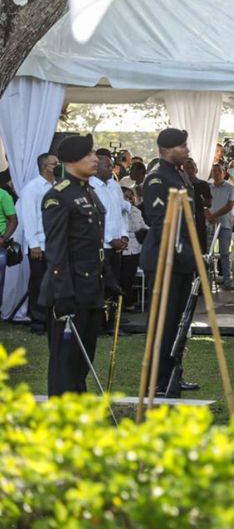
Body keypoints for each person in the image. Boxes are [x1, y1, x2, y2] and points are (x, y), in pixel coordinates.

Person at [40, 134, 118, 396]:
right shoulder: (58, 196)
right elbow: (56, 250)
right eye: (88, 154)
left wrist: (107, 276)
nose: (95, 159)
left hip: (90, 288)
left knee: (82, 360)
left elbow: (92, 242)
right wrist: (63, 294)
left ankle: (78, 409)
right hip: (70, 290)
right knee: (65, 363)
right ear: (72, 161)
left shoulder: (88, 192)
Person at [140, 128, 198, 398]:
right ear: (167, 149)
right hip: (165, 259)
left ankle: (173, 374)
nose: (187, 150)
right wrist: (186, 253)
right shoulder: (157, 177)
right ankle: (157, 379)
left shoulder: (179, 174)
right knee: (163, 323)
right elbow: (161, 222)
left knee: (178, 323)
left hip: (182, 260)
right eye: (182, 146)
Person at [19, 152, 57, 333]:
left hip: (56, 244)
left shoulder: (58, 186)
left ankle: (52, 319)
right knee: (39, 283)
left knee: (54, 283)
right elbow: (29, 218)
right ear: (44, 167)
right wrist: (33, 244)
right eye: (54, 164)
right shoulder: (32, 188)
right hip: (39, 245)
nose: (58, 166)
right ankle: (38, 321)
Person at [90, 149, 129, 306]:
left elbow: (120, 213)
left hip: (117, 245)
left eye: (112, 166)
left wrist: (124, 235)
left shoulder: (113, 185)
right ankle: (101, 317)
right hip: (102, 246)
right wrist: (110, 239)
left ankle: (113, 316)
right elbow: (94, 219)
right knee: (102, 284)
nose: (111, 169)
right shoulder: (91, 187)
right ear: (97, 168)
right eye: (107, 166)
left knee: (115, 284)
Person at [207, 163, 234, 290]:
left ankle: (227, 281)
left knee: (224, 253)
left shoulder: (230, 187)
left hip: (225, 224)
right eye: (214, 171)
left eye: (219, 171)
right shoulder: (208, 187)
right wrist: (209, 216)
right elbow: (203, 204)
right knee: (208, 253)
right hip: (210, 224)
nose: (217, 173)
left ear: (224, 173)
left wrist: (215, 215)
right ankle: (207, 281)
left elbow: (230, 206)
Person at [120, 185, 148, 311]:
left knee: (131, 276)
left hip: (136, 247)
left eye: (131, 196)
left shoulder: (136, 211)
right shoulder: (120, 211)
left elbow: (142, 226)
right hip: (124, 247)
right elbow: (130, 227)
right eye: (126, 196)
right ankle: (125, 303)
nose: (130, 198)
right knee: (124, 276)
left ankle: (132, 300)